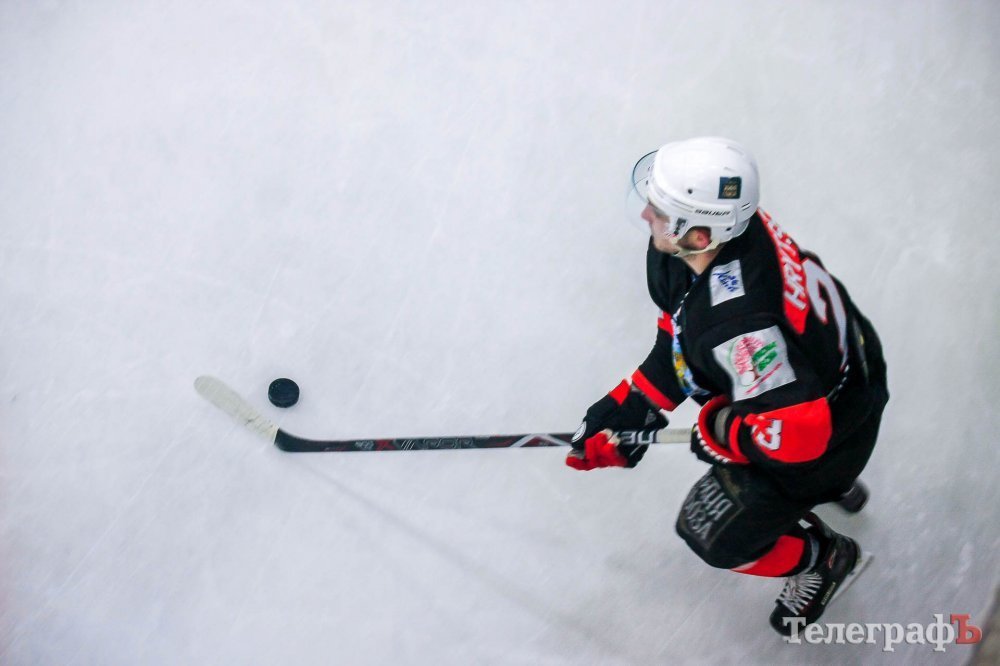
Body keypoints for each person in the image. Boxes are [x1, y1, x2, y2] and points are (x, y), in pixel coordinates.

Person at [565, 137, 889, 636]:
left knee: (711, 534)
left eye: (660, 212)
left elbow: (800, 436)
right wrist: (636, 402)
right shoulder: (719, 239)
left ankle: (825, 557)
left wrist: (722, 430)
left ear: (699, 235)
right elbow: (684, 331)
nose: (646, 215)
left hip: (831, 433)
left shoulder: (739, 324)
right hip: (843, 364)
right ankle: (826, 487)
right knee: (772, 421)